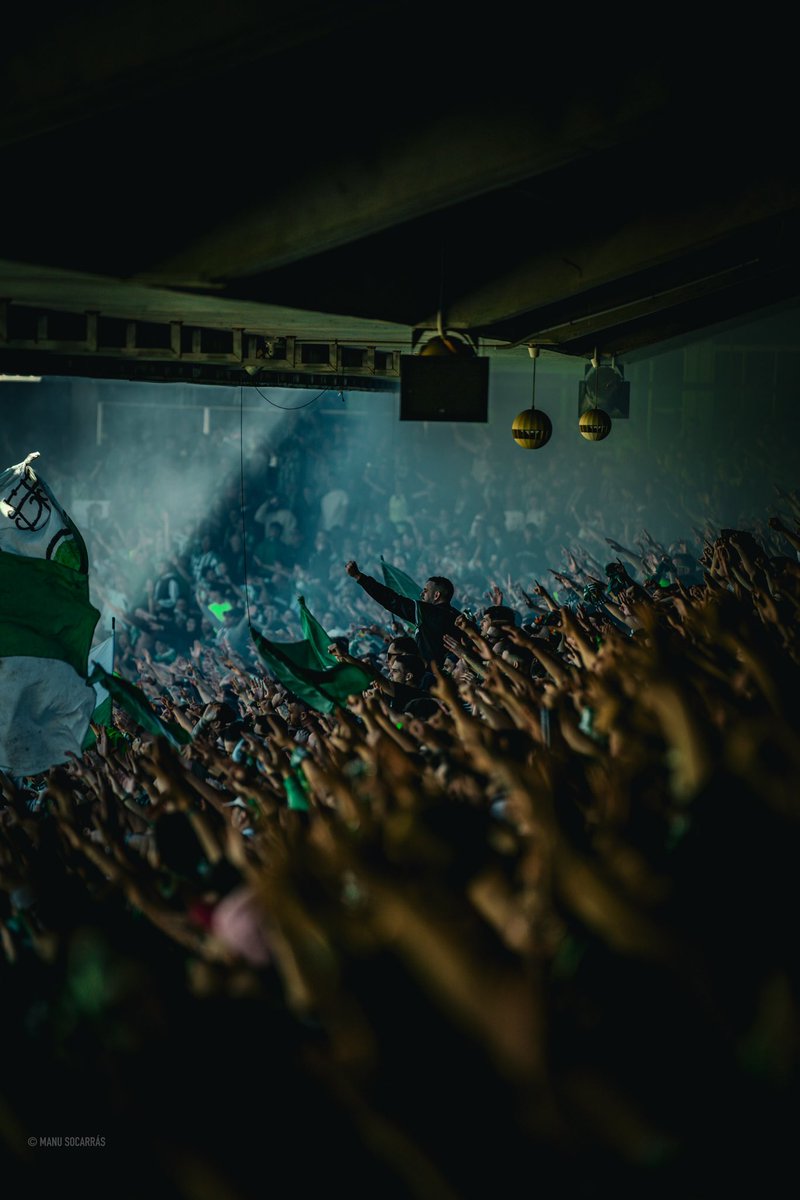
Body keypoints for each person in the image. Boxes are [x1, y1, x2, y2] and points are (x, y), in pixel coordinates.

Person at [344, 559, 462, 668]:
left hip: (434, 675)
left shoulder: (426, 612)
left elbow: (391, 600)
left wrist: (359, 577)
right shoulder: (457, 616)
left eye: (425, 591)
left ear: (436, 595)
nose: (421, 595)